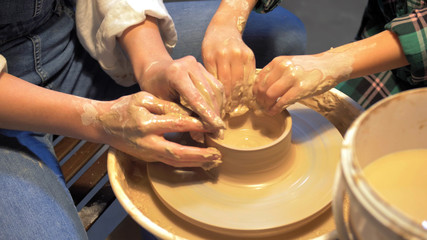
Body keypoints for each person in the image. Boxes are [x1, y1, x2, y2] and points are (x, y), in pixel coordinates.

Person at [0, 0, 305, 239]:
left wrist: (153, 64)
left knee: (281, 36)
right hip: (8, 107)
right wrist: (98, 119)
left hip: (67, 45)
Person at [254, 0, 427, 115]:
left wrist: (331, 63)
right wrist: (230, 18)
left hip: (415, 56)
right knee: (322, 111)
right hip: (383, 34)